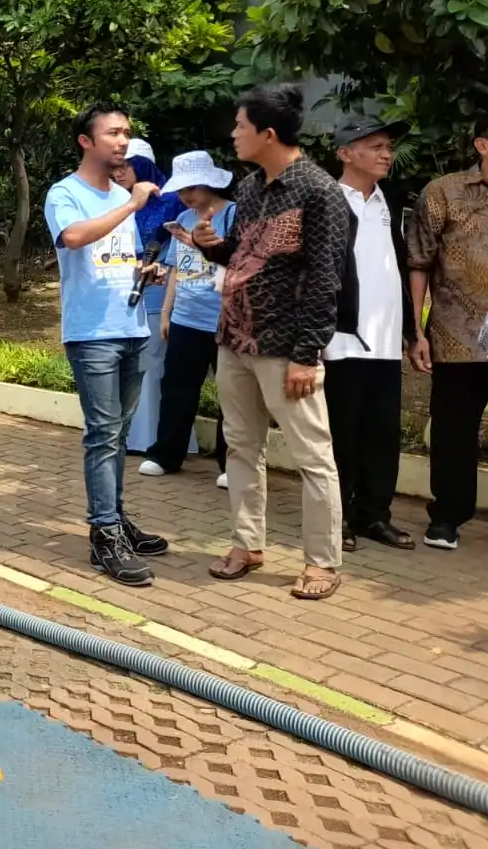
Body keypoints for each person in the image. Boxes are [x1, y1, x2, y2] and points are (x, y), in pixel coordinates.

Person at [193, 84, 350, 600]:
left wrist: (308, 354)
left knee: (312, 456)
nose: (233, 134)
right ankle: (246, 545)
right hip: (234, 337)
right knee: (240, 446)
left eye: (239, 126)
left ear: (267, 133)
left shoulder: (319, 191)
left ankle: (322, 563)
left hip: (286, 346)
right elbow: (247, 255)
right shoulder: (251, 186)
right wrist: (213, 248)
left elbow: (327, 277)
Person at [43, 103, 170, 587]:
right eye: (113, 133)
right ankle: (103, 536)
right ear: (86, 141)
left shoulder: (120, 193)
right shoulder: (66, 193)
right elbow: (74, 237)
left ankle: (116, 518)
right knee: (101, 435)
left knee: (118, 435)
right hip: (92, 334)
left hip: (133, 327)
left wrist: (147, 268)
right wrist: (132, 206)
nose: (123, 141)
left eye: (127, 134)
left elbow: (123, 255)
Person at [408, 104, 488, 550]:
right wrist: (417, 330)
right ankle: (447, 516)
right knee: (453, 431)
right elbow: (419, 263)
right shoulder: (444, 192)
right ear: (482, 145)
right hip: (456, 335)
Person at [324, 117, 417, 552]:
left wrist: (413, 332)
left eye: (388, 147)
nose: (387, 153)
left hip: (386, 339)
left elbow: (399, 268)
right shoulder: (324, 200)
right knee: (342, 433)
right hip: (339, 342)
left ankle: (373, 516)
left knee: (382, 433)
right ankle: (336, 519)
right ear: (345, 153)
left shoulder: (391, 202)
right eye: (375, 146)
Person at [139, 150, 234, 484]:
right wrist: (166, 312)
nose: (186, 195)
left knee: (233, 395)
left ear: (210, 182)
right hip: (186, 318)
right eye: (181, 189)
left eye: (192, 187)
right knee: (177, 387)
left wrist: (197, 243)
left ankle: (232, 464)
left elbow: (237, 260)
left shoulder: (234, 214)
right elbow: (178, 269)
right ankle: (166, 453)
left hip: (226, 321)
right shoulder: (184, 217)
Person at [114, 139, 186, 458]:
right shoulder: (122, 201)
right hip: (125, 287)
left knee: (153, 360)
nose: (118, 173)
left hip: (160, 287)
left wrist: (159, 264)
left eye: (125, 166)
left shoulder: (172, 200)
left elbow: (181, 244)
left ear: (142, 166)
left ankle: (153, 437)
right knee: (131, 359)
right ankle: (130, 434)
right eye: (114, 166)